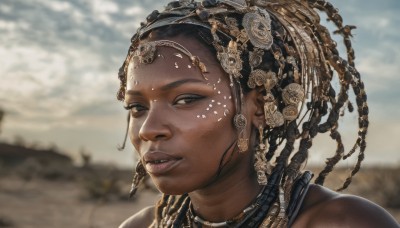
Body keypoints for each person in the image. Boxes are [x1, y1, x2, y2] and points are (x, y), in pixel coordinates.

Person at [116, 0, 400, 227]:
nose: (147, 129)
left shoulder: (345, 222)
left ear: (261, 108)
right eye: (137, 107)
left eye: (186, 99)